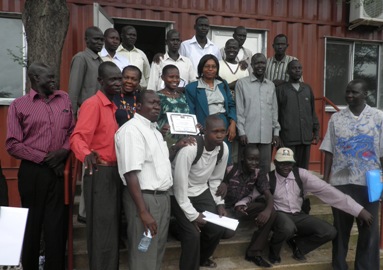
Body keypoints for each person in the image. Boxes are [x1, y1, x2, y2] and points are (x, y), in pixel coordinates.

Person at [6, 62, 75, 270]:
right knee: (32, 225)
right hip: (33, 172)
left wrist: (63, 151)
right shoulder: (19, 105)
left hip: (58, 171)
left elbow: (73, 130)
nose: (54, 81)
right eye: (49, 78)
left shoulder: (64, 99)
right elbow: (12, 144)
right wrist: (45, 158)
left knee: (56, 226)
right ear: (35, 79)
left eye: (54, 77)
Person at [264, 147, 373, 265]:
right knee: (287, 227)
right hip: (279, 215)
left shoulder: (301, 174)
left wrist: (359, 210)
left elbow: (328, 191)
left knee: (329, 231)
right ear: (275, 163)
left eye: (289, 163)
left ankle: (298, 246)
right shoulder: (268, 178)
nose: (286, 167)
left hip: (298, 214)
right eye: (282, 163)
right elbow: (254, 197)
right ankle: (273, 252)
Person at [320, 79, 382, 270]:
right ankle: (339, 266)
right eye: (347, 92)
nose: (349, 95)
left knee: (369, 231)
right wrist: (326, 179)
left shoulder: (378, 117)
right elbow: (329, 150)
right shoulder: (336, 118)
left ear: (365, 95)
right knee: (341, 230)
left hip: (370, 184)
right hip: (341, 183)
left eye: (354, 92)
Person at [115, 90, 178, 270]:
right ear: (138, 106)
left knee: (156, 251)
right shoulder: (132, 130)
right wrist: (143, 211)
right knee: (144, 254)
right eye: (151, 103)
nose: (156, 106)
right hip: (144, 198)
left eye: (158, 103)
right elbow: (130, 173)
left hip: (162, 197)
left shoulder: (154, 130)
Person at [70, 61, 122, 270]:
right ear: (100, 81)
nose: (118, 83)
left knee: (111, 228)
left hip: (114, 172)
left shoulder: (112, 106)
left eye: (119, 78)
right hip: (100, 172)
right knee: (101, 230)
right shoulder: (93, 104)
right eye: (113, 79)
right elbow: (77, 137)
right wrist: (86, 154)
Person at [171, 115, 229, 270]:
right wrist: (193, 215)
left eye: (222, 131)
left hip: (201, 190)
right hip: (178, 194)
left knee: (217, 228)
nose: (219, 135)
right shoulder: (190, 150)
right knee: (192, 235)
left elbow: (216, 179)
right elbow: (179, 187)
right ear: (204, 131)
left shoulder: (223, 148)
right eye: (215, 131)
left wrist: (220, 204)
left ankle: (202, 259)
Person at [226, 145, 276, 268]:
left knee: (271, 211)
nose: (254, 163)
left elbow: (268, 195)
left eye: (257, 159)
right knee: (227, 233)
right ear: (243, 158)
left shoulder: (258, 172)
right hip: (225, 210)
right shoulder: (230, 170)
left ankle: (254, 252)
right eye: (250, 159)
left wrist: (267, 211)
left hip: (243, 208)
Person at [185, 54, 236, 163]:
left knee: (224, 155)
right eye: (207, 66)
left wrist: (233, 124)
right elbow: (191, 110)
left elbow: (231, 105)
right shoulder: (192, 87)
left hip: (224, 124)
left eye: (213, 67)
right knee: (207, 158)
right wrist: (197, 127)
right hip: (206, 124)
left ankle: (223, 179)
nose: (210, 69)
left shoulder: (223, 84)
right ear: (201, 68)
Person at [235, 53, 280, 173]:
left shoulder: (270, 86)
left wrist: (276, 132)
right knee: (247, 168)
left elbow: (274, 110)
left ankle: (262, 191)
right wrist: (241, 132)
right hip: (248, 135)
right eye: (257, 63)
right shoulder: (242, 83)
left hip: (266, 136)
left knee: (264, 168)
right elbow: (239, 110)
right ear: (252, 65)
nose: (260, 66)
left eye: (263, 63)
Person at [276, 60, 319, 169]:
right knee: (287, 168)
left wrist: (316, 130)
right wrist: (277, 134)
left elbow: (312, 111)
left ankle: (301, 186)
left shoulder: (307, 89)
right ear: (288, 71)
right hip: (288, 137)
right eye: (294, 68)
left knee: (303, 170)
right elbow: (275, 114)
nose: (297, 70)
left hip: (305, 137)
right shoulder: (281, 89)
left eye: (299, 68)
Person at [68, 26, 104, 116]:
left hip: (99, 110)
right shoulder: (81, 58)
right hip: (85, 111)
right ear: (86, 40)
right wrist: (72, 115)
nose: (100, 43)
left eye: (101, 40)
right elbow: (74, 90)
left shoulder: (100, 61)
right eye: (96, 39)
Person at [156, 65, 191, 147]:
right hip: (165, 140)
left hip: (184, 141)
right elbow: (153, 120)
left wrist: (194, 126)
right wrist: (160, 131)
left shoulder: (182, 96)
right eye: (171, 77)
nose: (175, 80)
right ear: (162, 78)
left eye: (177, 77)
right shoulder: (157, 96)